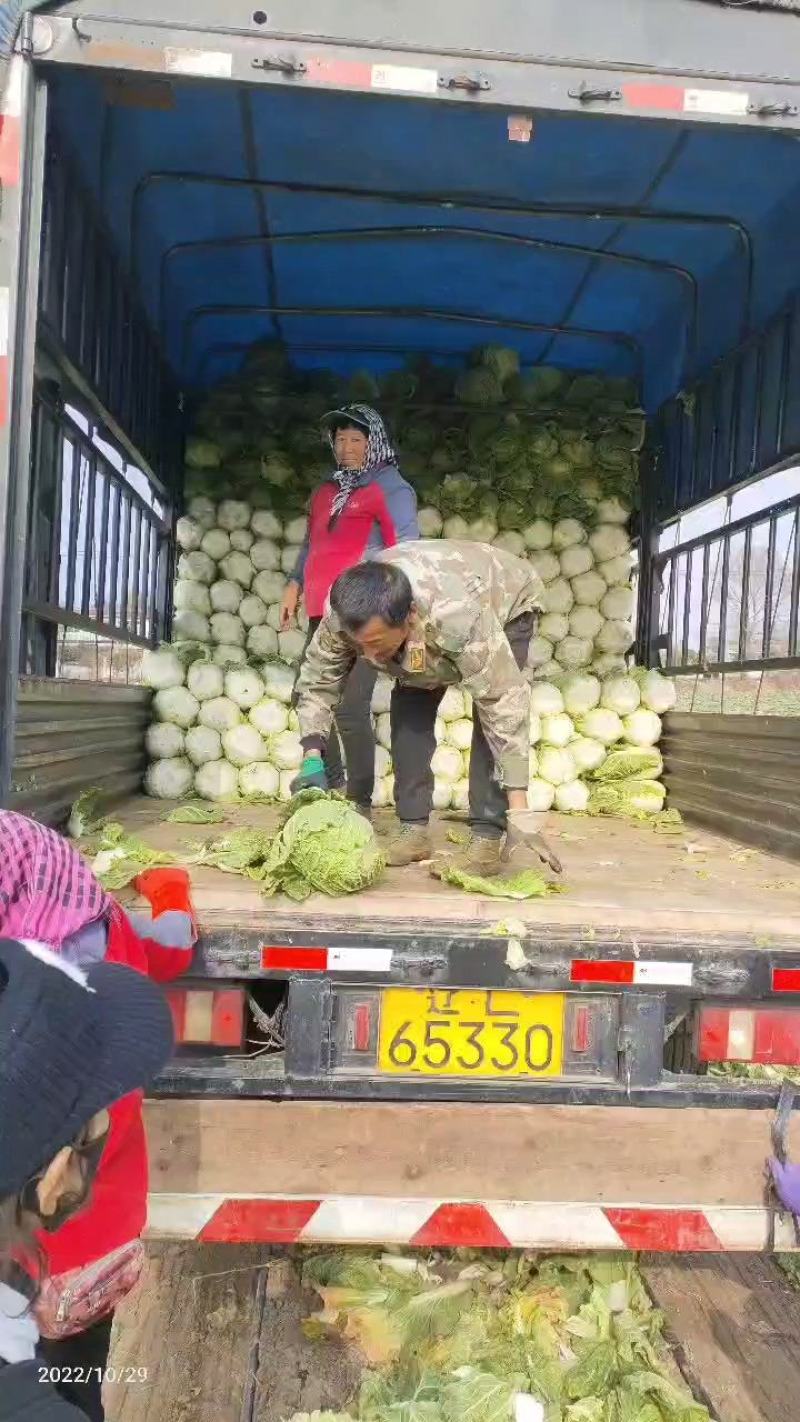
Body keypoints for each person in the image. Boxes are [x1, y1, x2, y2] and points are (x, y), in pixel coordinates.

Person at [0, 811, 196, 1421]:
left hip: (26, 1266)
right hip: (89, 1248)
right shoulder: (103, 936)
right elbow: (173, 944)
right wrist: (169, 891)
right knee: (75, 1379)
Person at [292, 540, 562, 876]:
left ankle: (486, 839)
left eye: (376, 644)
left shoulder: (460, 619)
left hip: (505, 597)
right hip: (428, 612)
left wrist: (520, 810)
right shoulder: (342, 613)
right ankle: (413, 828)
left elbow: (504, 704)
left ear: (408, 619)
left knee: (488, 716)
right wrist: (312, 755)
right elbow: (318, 682)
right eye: (358, 645)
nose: (369, 657)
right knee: (409, 704)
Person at [280, 403, 418, 813]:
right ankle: (332, 779)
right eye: (340, 440)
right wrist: (293, 584)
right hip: (326, 612)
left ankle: (359, 801)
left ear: (374, 442)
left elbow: (407, 551)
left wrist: (399, 612)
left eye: (356, 440)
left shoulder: (392, 488)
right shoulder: (327, 490)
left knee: (350, 706)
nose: (346, 448)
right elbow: (312, 543)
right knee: (307, 693)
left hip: (368, 611)